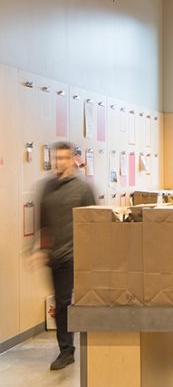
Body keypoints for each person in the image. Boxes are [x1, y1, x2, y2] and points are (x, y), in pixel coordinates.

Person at [31, 141, 96, 370]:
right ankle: (66, 351)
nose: (59, 162)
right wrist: (37, 249)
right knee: (60, 304)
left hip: (75, 254)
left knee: (67, 302)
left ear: (72, 160)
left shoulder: (83, 189)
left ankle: (71, 349)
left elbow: (93, 222)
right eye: (55, 158)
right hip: (54, 255)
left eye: (63, 158)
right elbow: (41, 221)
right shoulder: (46, 187)